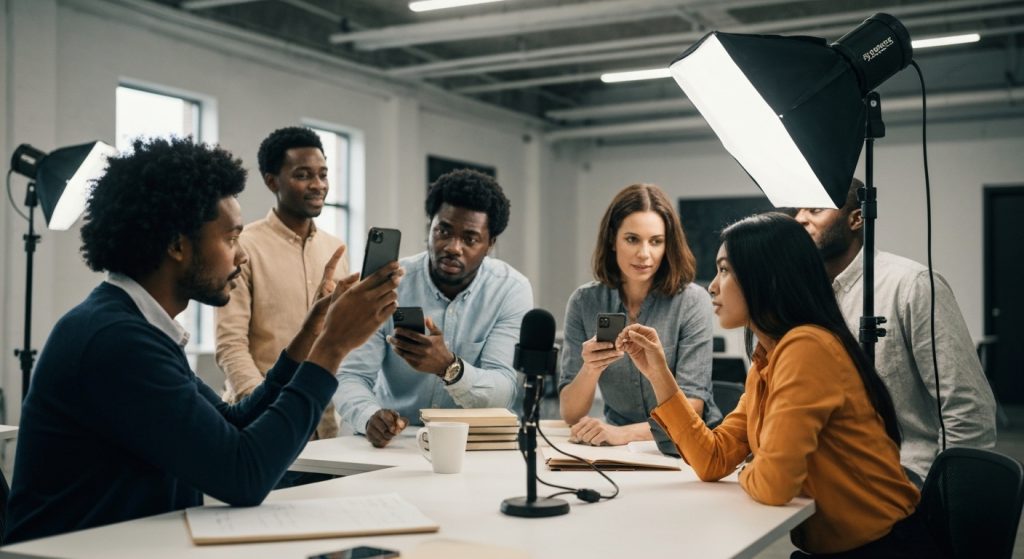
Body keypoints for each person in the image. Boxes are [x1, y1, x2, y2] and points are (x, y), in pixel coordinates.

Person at [4, 137, 402, 544]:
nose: (241, 256)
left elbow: (234, 422)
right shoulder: (116, 341)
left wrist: (309, 337)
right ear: (177, 245)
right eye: (230, 239)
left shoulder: (134, 325)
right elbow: (243, 476)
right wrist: (332, 347)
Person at [618, 213, 941, 557]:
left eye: (725, 270)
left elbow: (774, 485)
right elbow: (712, 459)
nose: (711, 286)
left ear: (767, 278)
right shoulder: (767, 360)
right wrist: (658, 374)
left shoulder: (807, 347)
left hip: (886, 548)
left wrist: (750, 468)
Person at [796, 178, 996, 486]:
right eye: (798, 210)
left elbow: (967, 406)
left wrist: (947, 496)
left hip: (909, 480)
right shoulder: (806, 296)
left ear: (857, 218)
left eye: (815, 209)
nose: (800, 219)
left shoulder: (912, 285)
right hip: (833, 483)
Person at [336, 169, 532, 448]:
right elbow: (351, 375)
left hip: (472, 445)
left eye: (470, 239)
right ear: (429, 227)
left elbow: (504, 391)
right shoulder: (391, 282)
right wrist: (369, 416)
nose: (453, 247)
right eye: (443, 231)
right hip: (396, 442)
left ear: (491, 244)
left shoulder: (510, 289)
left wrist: (449, 367)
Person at [558, 183, 718, 446]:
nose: (644, 254)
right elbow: (571, 414)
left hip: (688, 447)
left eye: (656, 241)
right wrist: (590, 368)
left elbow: (692, 409)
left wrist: (624, 434)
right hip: (615, 448)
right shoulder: (584, 301)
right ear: (612, 240)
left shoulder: (692, 301)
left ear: (668, 245)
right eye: (632, 239)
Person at [216, 126, 348, 440]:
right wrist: (262, 405)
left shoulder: (336, 250)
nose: (318, 185)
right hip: (262, 424)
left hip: (324, 427)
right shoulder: (243, 246)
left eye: (323, 174)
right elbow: (231, 346)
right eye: (304, 175)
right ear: (272, 180)